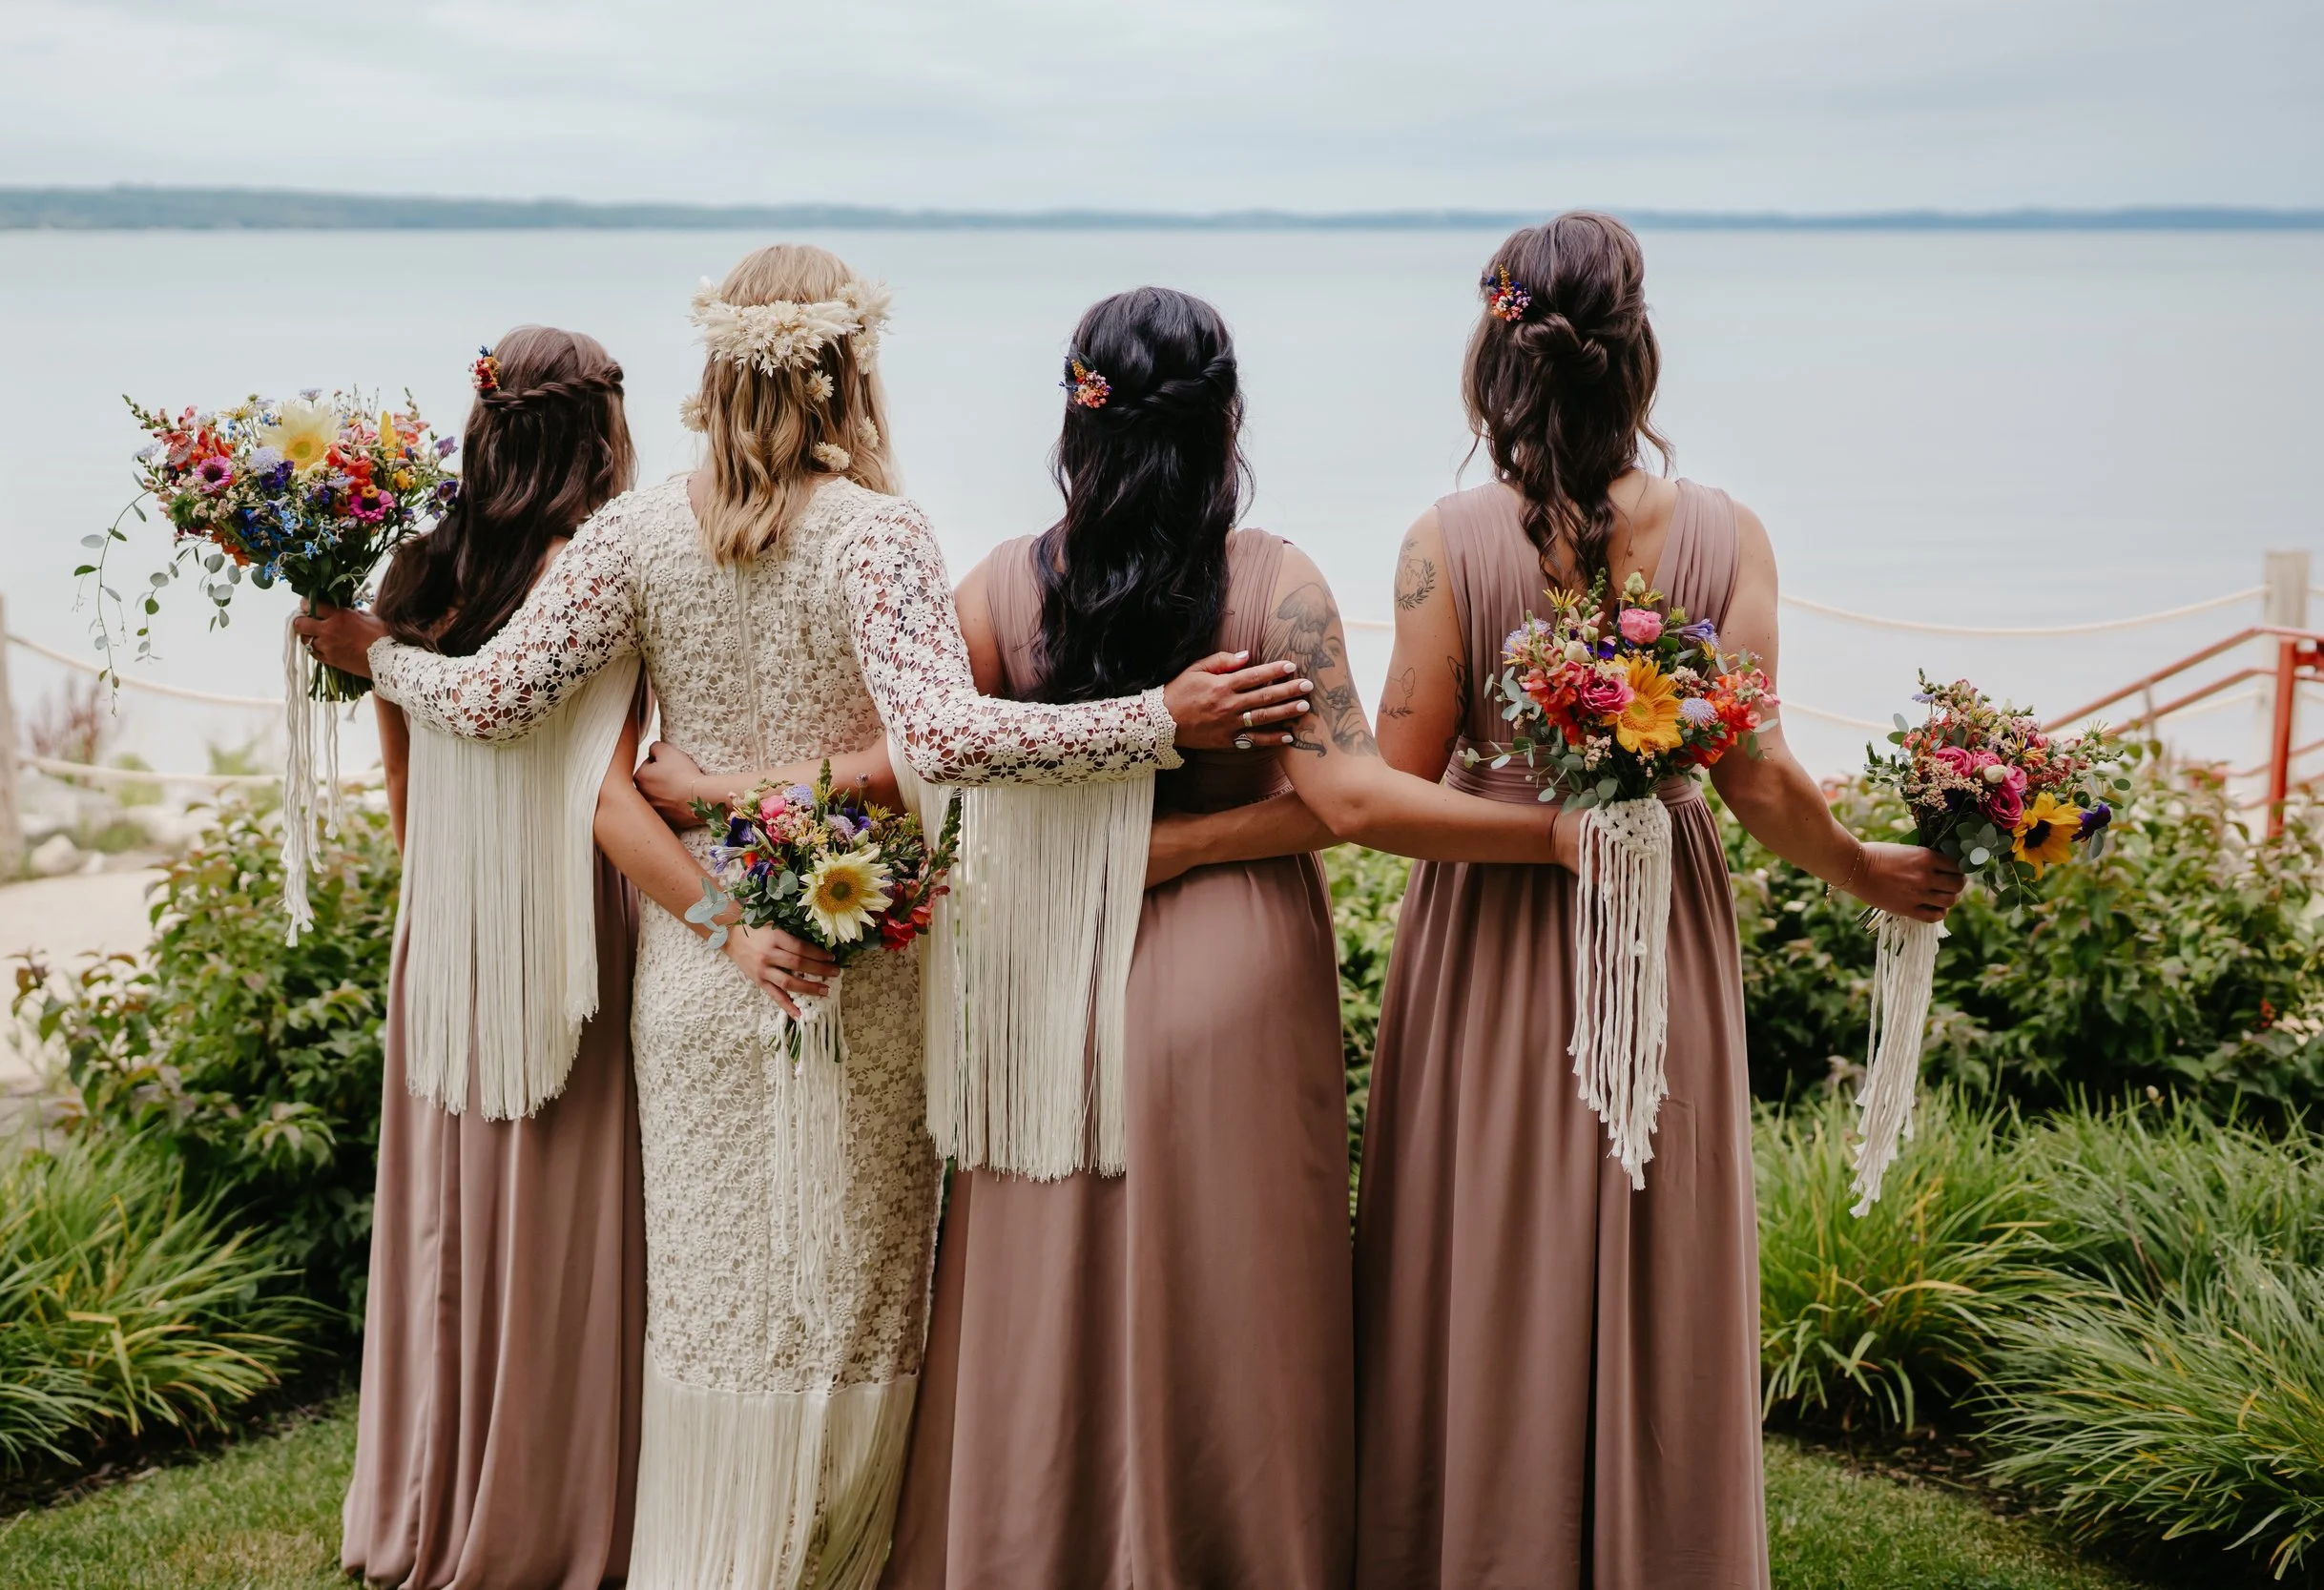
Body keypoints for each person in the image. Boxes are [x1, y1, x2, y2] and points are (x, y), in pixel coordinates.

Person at [295, 244, 1306, 1590]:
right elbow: (946, 739)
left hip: (704, 964)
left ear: (718, 368)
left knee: (713, 1313)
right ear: (847, 366)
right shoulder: (880, 533)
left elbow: (493, 704)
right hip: (857, 958)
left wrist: (383, 657)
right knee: (846, 1304)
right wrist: (1155, 721)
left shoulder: (638, 531)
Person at [835, 287, 1571, 1590]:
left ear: (1076, 417)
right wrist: (1563, 833)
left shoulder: (1002, 586)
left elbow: (918, 771)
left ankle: (1029, 1543)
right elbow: (1344, 802)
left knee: (1044, 1280)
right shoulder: (1274, 584)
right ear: (1228, 419)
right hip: (1235, 970)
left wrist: (730, 819)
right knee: (1235, 1288)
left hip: (1052, 966)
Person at [1350, 213, 1963, 1589]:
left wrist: (1540, 833)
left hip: (1491, 943)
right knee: (1654, 1250)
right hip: (1656, 926)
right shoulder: (1729, 533)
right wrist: (1870, 869)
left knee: (1487, 1247)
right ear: (1639, 360)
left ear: (1495, 362)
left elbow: (1387, 793)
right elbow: (1756, 772)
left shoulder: (1443, 543)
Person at [340, 325, 651, 1588]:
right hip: (561, 925)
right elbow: (615, 762)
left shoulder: (421, 571)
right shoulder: (594, 568)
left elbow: (405, 771)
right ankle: (549, 1509)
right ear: (595, 430)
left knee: (451, 1228)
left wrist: (439, 902)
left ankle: (434, 1496)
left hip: (449, 922)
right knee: (559, 1232)